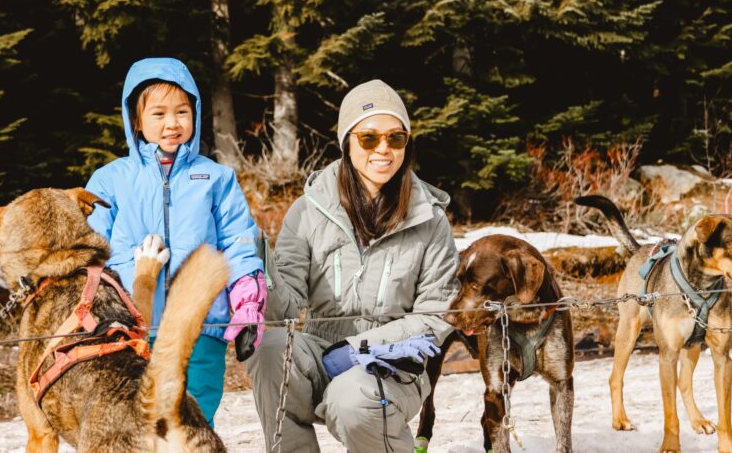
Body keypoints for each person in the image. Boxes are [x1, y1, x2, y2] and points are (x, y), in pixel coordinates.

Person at [248, 79, 459, 453]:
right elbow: (286, 309)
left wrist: (359, 347)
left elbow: (435, 317)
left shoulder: (430, 218)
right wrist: (259, 260)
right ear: (347, 142)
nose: (384, 149)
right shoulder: (309, 210)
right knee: (268, 347)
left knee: (352, 394)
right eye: (369, 138)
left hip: (396, 363)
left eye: (396, 138)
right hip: (320, 352)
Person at [85, 57, 266, 426]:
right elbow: (89, 252)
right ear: (136, 119)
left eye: (182, 111)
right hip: (129, 329)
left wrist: (248, 303)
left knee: (193, 422)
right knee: (132, 426)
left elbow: (238, 242)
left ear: (195, 113)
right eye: (159, 113)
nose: (172, 123)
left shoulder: (216, 178)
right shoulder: (110, 181)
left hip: (200, 327)